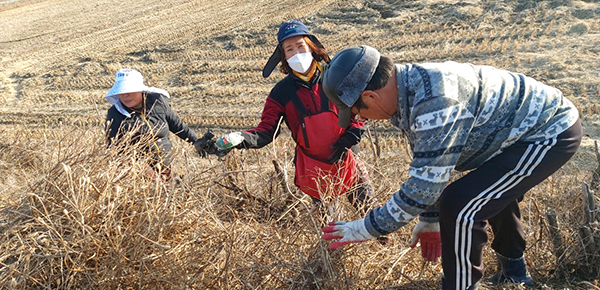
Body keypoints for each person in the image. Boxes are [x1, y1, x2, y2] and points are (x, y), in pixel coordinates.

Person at [319, 45, 581, 290]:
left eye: (357, 111)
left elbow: (422, 189)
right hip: (511, 136)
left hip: (548, 132)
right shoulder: (406, 87)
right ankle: (514, 274)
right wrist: (430, 220)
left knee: (460, 205)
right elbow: (434, 164)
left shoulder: (434, 101)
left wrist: (366, 227)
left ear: (370, 96)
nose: (359, 118)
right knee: (484, 191)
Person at [215, 20, 373, 211]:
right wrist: (237, 139)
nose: (296, 53)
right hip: (315, 169)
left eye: (300, 46)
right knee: (330, 228)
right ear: (283, 57)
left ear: (312, 47)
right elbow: (265, 132)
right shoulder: (280, 93)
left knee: (372, 214)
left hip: (348, 157)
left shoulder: (335, 76)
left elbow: (361, 110)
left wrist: (351, 136)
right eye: (289, 49)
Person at [105, 68, 200, 182]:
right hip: (139, 176)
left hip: (165, 167)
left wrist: (196, 141)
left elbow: (177, 126)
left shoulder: (157, 102)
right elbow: (115, 149)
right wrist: (146, 172)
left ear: (140, 90)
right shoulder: (115, 115)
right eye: (121, 91)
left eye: (130, 90)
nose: (125, 95)